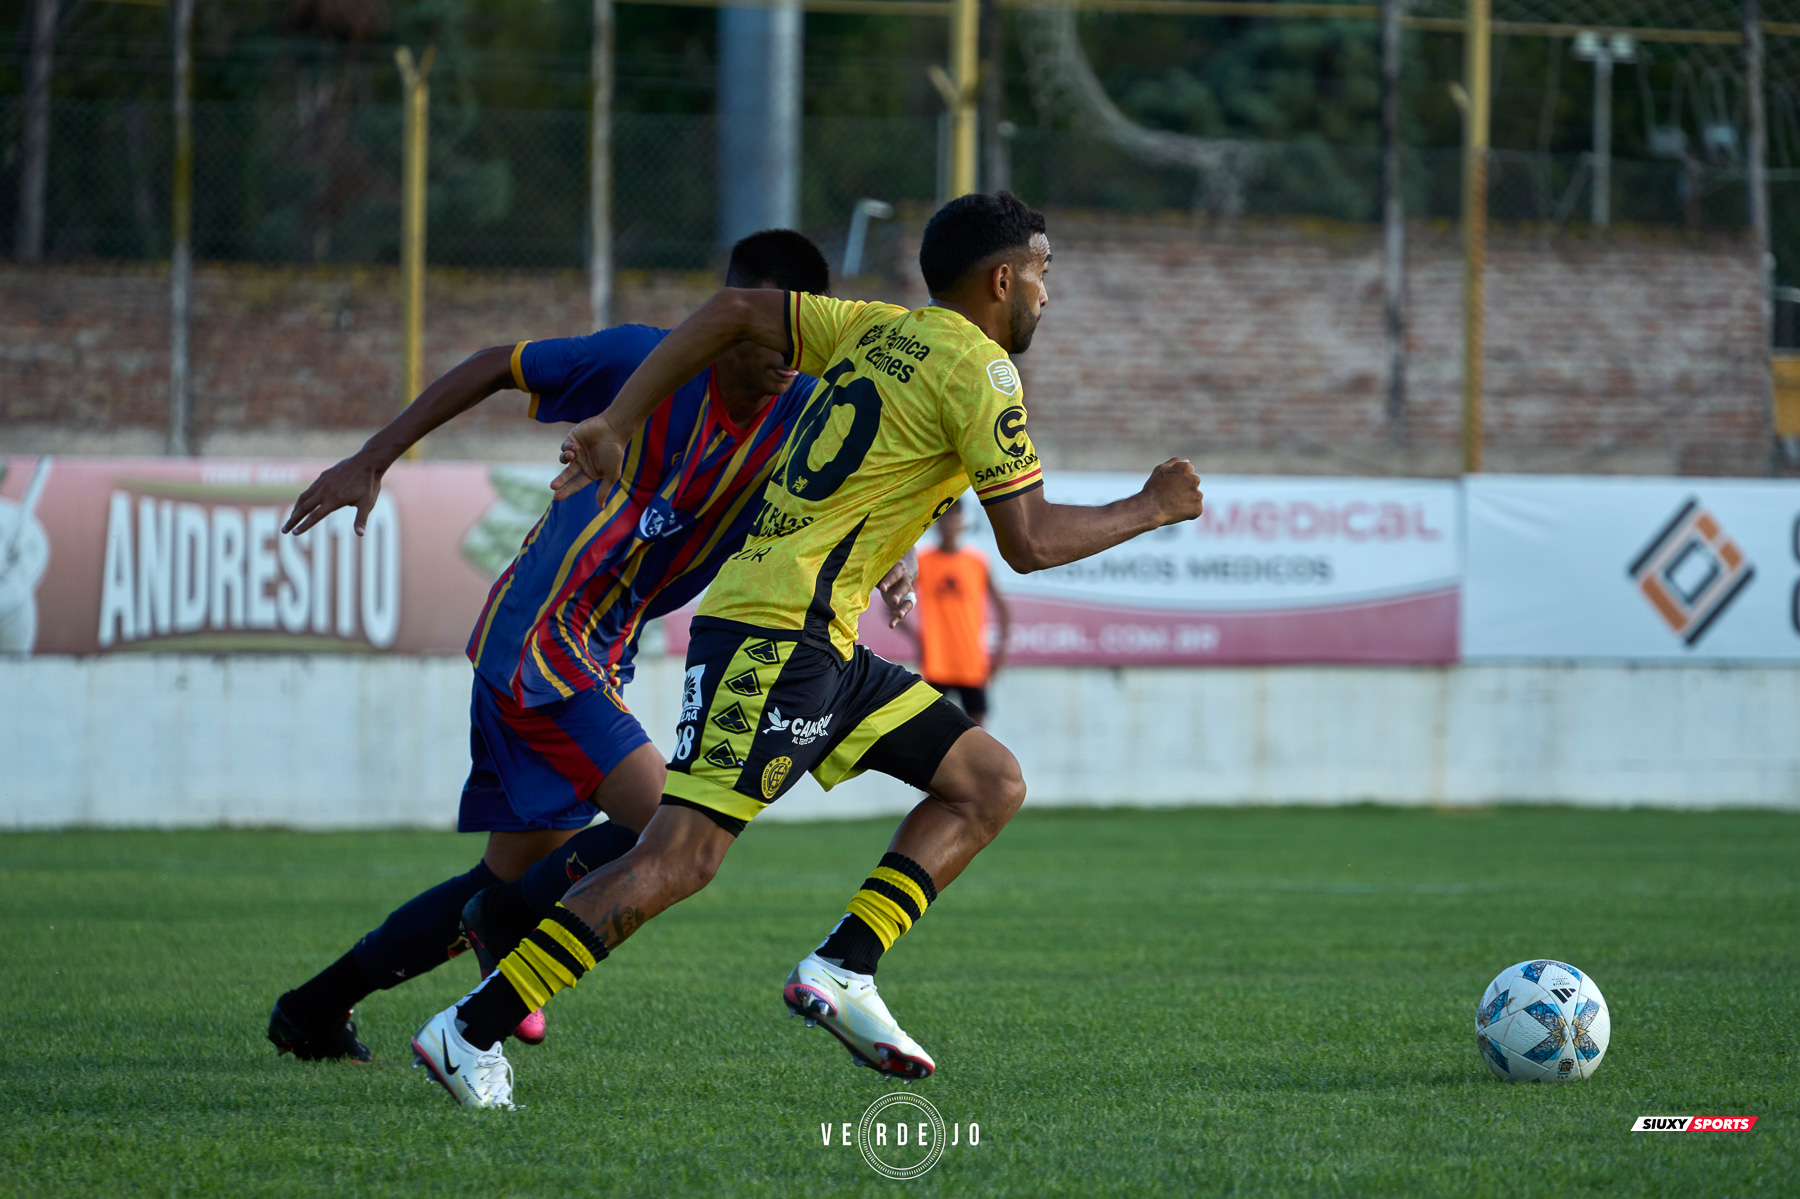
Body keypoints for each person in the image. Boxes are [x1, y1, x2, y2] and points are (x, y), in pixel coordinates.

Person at [414, 190, 1204, 1109]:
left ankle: (843, 966)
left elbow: (732, 309)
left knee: (987, 781)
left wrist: (622, 417)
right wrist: (1155, 506)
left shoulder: (873, 328)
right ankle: (468, 1030)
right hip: (776, 635)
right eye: (1042, 270)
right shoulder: (986, 376)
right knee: (679, 858)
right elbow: (1028, 540)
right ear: (1002, 278)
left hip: (818, 633)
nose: (1045, 292)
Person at [266, 230, 882, 1062]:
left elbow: (849, 484)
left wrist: (897, 562)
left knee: (502, 881)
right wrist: (374, 459)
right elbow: (494, 363)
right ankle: (505, 927)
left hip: (602, 649)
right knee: (666, 825)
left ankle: (314, 1008)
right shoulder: (642, 361)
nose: (787, 359)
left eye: (797, 340)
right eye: (772, 337)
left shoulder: (805, 410)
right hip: (541, 637)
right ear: (727, 319)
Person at [902, 497, 1009, 725]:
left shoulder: (977, 563)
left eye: (955, 516)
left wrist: (999, 654)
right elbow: (893, 604)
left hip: (971, 662)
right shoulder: (922, 561)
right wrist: (919, 639)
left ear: (963, 521)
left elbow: (1004, 611)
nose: (950, 523)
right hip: (936, 662)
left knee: (978, 728)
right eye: (945, 517)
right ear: (936, 523)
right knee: (931, 728)